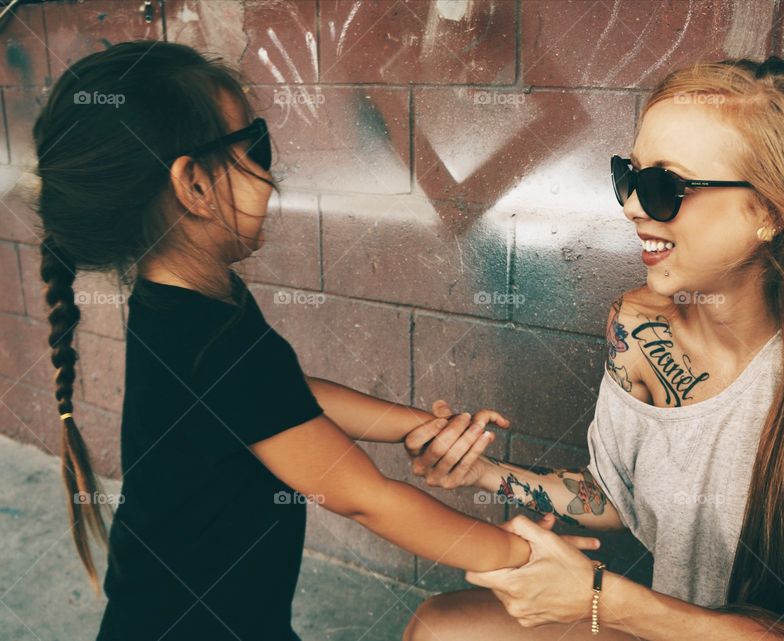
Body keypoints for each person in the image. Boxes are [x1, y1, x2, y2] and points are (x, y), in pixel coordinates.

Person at [32, 40, 601, 641]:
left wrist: (414, 426)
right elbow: (367, 498)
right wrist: (527, 561)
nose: (270, 175)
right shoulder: (206, 343)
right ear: (195, 185)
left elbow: (289, 395)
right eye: (253, 147)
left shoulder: (182, 301)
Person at [403, 56, 784, 641]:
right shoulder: (634, 327)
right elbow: (612, 496)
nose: (632, 207)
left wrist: (600, 600)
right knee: (440, 628)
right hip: (676, 626)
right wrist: (485, 473)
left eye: (664, 186)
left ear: (768, 212)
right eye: (628, 178)